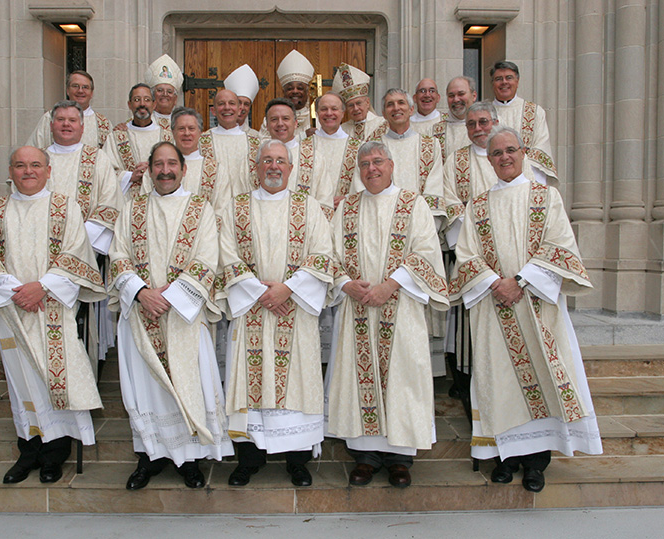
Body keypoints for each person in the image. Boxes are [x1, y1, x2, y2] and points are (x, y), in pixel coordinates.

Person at [449, 126, 602, 493]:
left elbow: (559, 245)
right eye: (497, 153)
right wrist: (494, 283)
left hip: (535, 304)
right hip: (493, 306)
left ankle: (536, 464)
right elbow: (467, 256)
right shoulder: (478, 204)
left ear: (523, 152)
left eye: (510, 151)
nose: (504, 157)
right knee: (498, 383)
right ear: (489, 160)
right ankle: (506, 457)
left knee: (541, 377)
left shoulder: (545, 198)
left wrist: (520, 280)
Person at [0, 146, 105, 484]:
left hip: (51, 308)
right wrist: (17, 291)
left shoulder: (65, 207)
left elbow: (76, 252)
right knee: (21, 381)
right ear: (10, 171)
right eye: (20, 165)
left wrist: (42, 287)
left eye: (35, 165)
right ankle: (28, 450)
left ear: (48, 171)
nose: (28, 171)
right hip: (11, 310)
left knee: (56, 379)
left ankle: (54, 455)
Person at [109, 141, 233, 490]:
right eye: (158, 164)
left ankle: (189, 460)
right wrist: (141, 292)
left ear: (183, 168)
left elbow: (208, 258)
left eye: (171, 164)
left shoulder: (200, 209)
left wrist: (173, 295)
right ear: (149, 170)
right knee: (146, 389)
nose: (165, 170)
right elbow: (118, 255)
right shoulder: (131, 209)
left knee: (186, 383)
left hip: (183, 318)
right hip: (141, 314)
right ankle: (149, 456)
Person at [326, 141, 449, 488]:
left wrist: (390, 286)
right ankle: (365, 456)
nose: (371, 169)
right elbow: (328, 255)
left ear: (392, 165)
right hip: (357, 310)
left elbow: (426, 251)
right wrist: (345, 284)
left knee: (403, 377)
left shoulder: (413, 204)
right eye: (364, 164)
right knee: (356, 376)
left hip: (401, 307)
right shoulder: (348, 207)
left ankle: (399, 457)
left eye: (377, 162)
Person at [218, 139, 333, 487]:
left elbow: (323, 254)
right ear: (254, 168)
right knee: (249, 384)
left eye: (280, 160)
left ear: (291, 168)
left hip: (294, 312)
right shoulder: (235, 207)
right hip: (251, 311)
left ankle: (296, 461)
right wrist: (260, 293)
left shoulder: (309, 207)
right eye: (266, 160)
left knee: (296, 383)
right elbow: (225, 256)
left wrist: (287, 289)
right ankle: (249, 459)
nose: (273, 166)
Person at [44, 100, 124, 363]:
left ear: (82, 126)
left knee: (81, 322)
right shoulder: (39, 160)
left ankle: (86, 372)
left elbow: (110, 203)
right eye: (61, 120)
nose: (66, 125)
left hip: (87, 251)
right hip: (43, 256)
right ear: (52, 124)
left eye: (72, 120)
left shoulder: (97, 158)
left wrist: (77, 245)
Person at [363, 89, 445, 226]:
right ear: (384, 114)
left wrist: (426, 228)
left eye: (401, 103)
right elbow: (364, 187)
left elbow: (434, 187)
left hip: (420, 224)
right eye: (390, 104)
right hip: (380, 223)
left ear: (411, 109)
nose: (396, 108)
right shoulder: (372, 147)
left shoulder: (430, 145)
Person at [489, 60, 558, 183]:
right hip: (491, 178)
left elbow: (540, 148)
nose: (504, 82)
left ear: (517, 81)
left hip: (526, 180)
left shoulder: (534, 112)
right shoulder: (485, 113)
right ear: (492, 83)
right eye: (499, 79)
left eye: (509, 78)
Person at [294, 92, 356, 217]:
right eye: (323, 109)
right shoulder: (302, 147)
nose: (329, 113)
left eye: (334, 109)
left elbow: (365, 185)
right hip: (311, 216)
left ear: (343, 113)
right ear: (317, 114)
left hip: (344, 215)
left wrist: (348, 198)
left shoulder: (357, 148)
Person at [169, 107, 230, 219]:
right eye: (181, 129)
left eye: (191, 128)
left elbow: (222, 211)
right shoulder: (161, 168)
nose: (186, 133)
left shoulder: (216, 170)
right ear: (173, 132)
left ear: (200, 132)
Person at [102, 83, 162, 199]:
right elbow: (104, 172)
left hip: (159, 200)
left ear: (154, 104)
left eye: (147, 100)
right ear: (129, 104)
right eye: (137, 99)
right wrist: (130, 176)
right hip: (126, 203)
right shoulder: (116, 137)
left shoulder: (167, 137)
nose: (142, 104)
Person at [26, 70, 111, 149]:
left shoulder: (103, 123)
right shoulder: (50, 117)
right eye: (75, 86)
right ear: (67, 90)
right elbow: (31, 151)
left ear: (91, 93)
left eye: (85, 87)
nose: (80, 91)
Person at [200, 89, 261, 198]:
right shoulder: (203, 141)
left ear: (239, 110)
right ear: (213, 111)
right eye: (221, 104)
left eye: (232, 103)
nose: (227, 107)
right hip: (213, 208)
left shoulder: (255, 142)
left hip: (246, 207)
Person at [260, 50, 315, 139]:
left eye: (300, 88)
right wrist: (303, 136)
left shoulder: (316, 117)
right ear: (283, 92)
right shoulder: (271, 118)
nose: (295, 91)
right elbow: (264, 144)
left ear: (307, 91)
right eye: (290, 88)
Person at [431, 76, 478, 161]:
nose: (456, 99)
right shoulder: (434, 131)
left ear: (474, 96)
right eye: (451, 95)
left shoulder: (487, 126)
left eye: (461, 94)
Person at [335, 62, 387, 141]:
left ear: (367, 102)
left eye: (358, 103)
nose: (355, 108)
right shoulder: (342, 130)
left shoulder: (383, 125)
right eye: (351, 105)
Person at [146, 54, 183, 142]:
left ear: (175, 99)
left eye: (169, 92)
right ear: (152, 96)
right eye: (160, 90)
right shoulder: (142, 121)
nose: (165, 94)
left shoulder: (182, 122)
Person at [224, 64, 261, 132]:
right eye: (238, 102)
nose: (242, 107)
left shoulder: (256, 138)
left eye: (246, 104)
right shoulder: (210, 136)